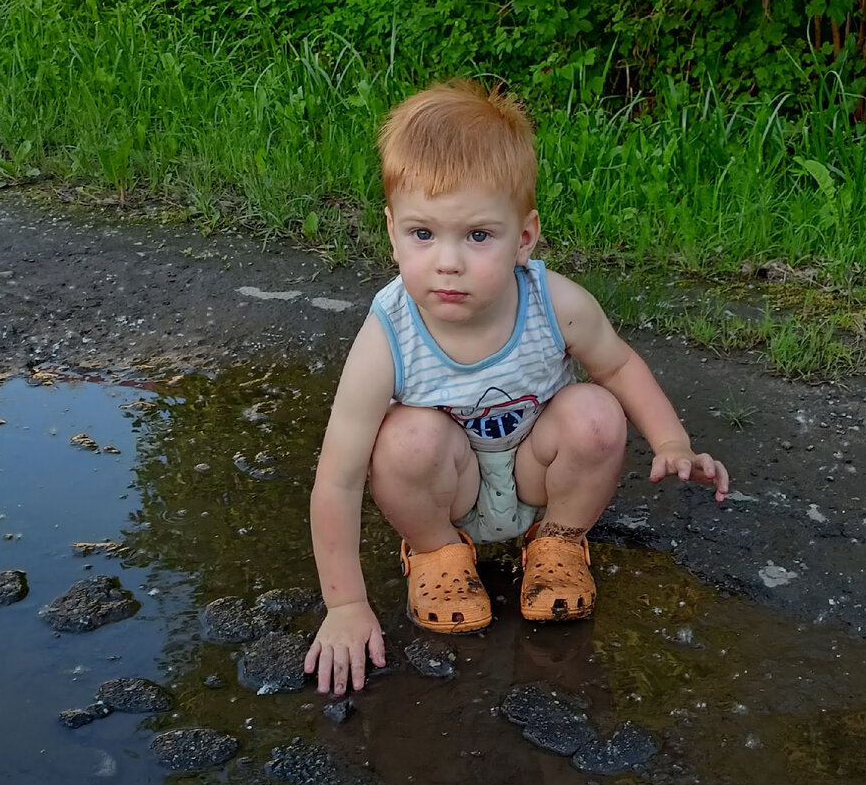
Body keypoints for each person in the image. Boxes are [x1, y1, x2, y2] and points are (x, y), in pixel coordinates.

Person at [303, 79, 729, 696]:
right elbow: (338, 477)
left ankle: (557, 543)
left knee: (596, 413)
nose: (447, 261)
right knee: (404, 439)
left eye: (478, 236)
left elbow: (617, 365)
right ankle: (436, 556)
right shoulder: (387, 334)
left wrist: (672, 440)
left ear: (524, 238)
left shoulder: (554, 304)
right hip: (447, 494)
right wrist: (344, 606)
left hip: (537, 478)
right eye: (424, 234)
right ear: (392, 232)